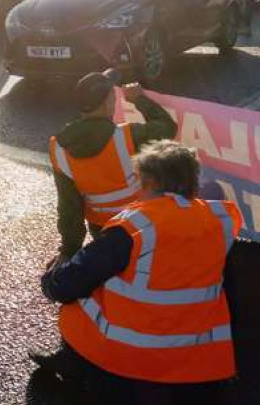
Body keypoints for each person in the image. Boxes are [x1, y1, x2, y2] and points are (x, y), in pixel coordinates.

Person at [34, 140, 244, 387]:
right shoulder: (217, 222)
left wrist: (50, 279)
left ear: (152, 183)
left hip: (130, 359)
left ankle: (74, 361)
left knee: (79, 298)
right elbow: (226, 289)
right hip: (194, 360)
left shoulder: (136, 227)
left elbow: (71, 281)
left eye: (139, 180)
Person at [49, 69, 179, 263]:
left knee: (114, 270)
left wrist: (69, 250)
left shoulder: (58, 148)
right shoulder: (127, 136)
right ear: (107, 103)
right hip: (138, 222)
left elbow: (69, 207)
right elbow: (168, 127)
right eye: (113, 95)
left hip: (102, 229)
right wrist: (139, 99)